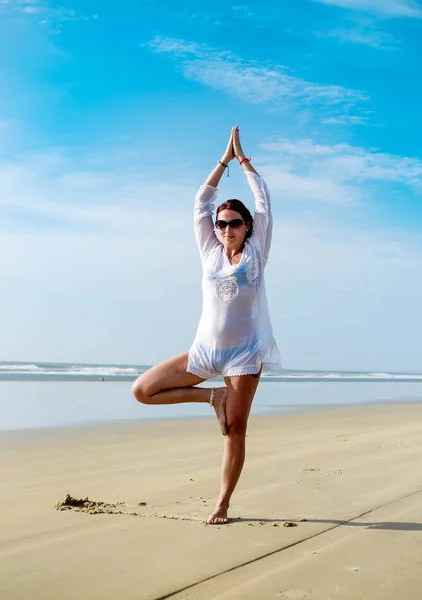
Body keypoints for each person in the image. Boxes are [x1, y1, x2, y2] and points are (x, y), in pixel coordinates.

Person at [131, 126, 280, 524]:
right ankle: (211, 397)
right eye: (221, 224)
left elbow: (264, 202)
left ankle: (223, 503)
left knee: (235, 430)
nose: (226, 229)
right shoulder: (209, 253)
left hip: (244, 356)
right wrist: (222, 161)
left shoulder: (256, 253)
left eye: (234, 222)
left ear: (248, 226)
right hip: (204, 351)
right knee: (143, 390)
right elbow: (201, 201)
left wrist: (245, 162)